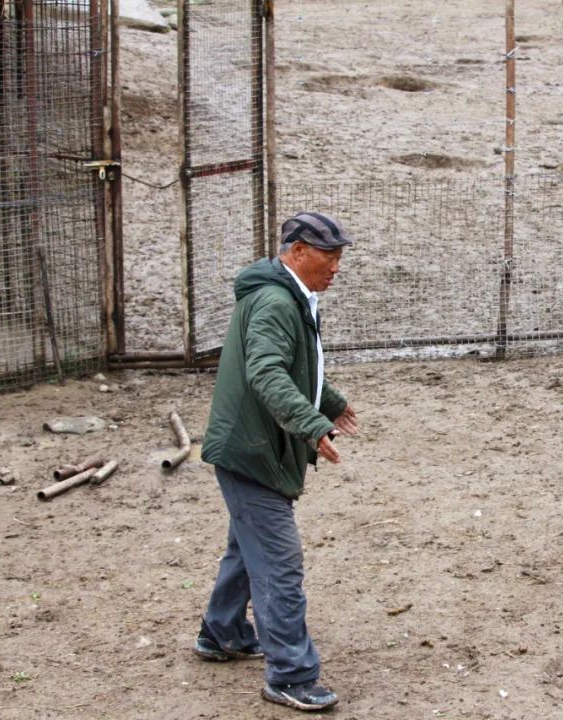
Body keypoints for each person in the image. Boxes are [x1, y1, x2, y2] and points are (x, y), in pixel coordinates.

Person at [193, 211, 359, 712]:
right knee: (279, 563)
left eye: (339, 258)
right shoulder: (273, 301)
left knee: (250, 549)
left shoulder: (288, 296)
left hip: (251, 445)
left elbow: (292, 363)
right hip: (252, 451)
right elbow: (266, 372)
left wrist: (326, 400)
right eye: (329, 258)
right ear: (298, 251)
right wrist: (311, 424)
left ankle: (221, 633)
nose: (336, 269)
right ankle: (290, 673)